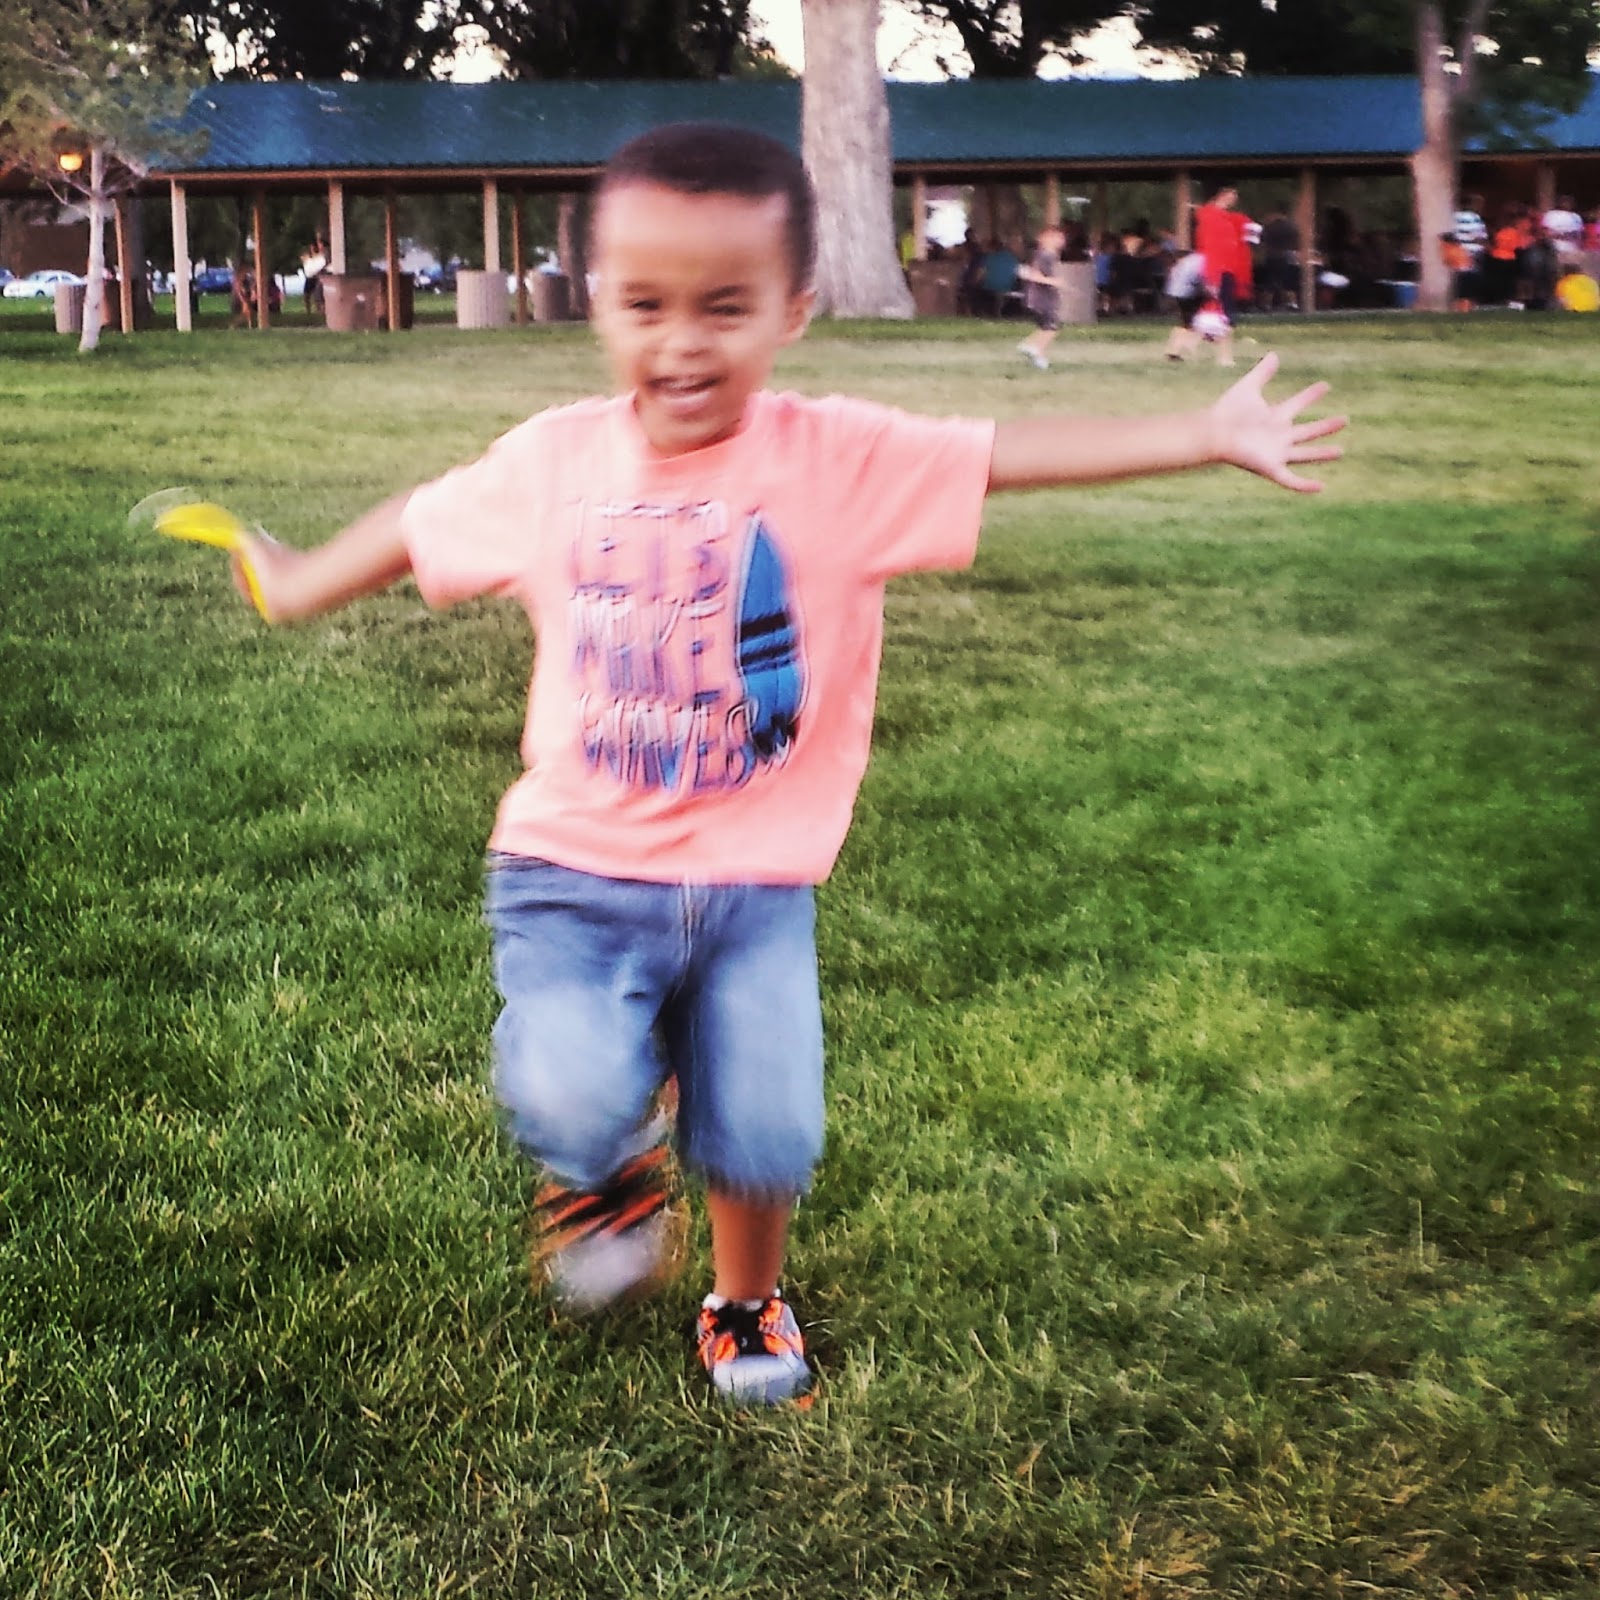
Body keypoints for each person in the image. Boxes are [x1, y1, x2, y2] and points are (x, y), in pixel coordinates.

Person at [213, 123, 1344, 1408]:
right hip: (573, 870)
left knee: (765, 1127)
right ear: (599, 301)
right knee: (566, 1089)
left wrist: (1204, 431)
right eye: (645, 305)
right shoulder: (554, 461)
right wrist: (298, 584)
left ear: (792, 309)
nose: (681, 343)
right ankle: (603, 1165)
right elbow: (421, 525)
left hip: (757, 885)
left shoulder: (837, 460)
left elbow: (1003, 455)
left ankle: (744, 1302)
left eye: (724, 306)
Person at [1015, 222, 1067, 369]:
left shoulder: (1045, 255)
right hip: (1041, 297)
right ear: (1044, 238)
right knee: (1052, 325)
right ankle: (1033, 348)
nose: (1061, 241)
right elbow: (1034, 275)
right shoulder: (1046, 256)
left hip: (1043, 297)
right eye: (1056, 237)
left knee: (1047, 326)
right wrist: (1053, 281)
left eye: (1061, 238)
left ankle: (1036, 352)